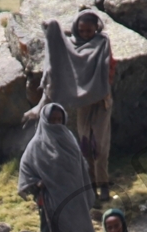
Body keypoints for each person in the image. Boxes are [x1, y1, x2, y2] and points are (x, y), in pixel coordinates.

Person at [40, 10, 114, 200]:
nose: (86, 34)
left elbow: (108, 68)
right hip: (84, 104)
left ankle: (103, 186)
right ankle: (91, 189)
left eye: (89, 31)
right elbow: (60, 48)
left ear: (96, 29)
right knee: (85, 145)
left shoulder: (102, 43)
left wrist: (98, 88)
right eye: (82, 31)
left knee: (100, 145)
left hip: (101, 103)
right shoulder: (73, 46)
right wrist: (51, 29)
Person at [17, 100, 96, 232]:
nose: (56, 123)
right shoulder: (37, 144)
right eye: (52, 120)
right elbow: (26, 167)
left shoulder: (69, 139)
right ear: (45, 121)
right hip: (49, 199)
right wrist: (36, 183)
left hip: (71, 197)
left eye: (59, 120)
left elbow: (80, 165)